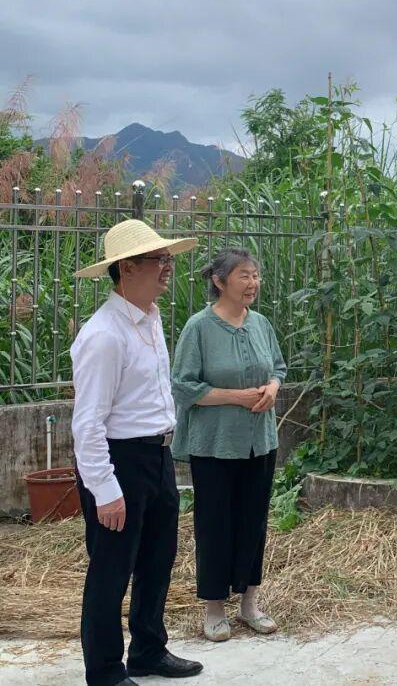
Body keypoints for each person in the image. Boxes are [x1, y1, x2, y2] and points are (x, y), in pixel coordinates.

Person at [70, 219, 204, 686]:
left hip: (157, 455)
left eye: (168, 259)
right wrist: (105, 489)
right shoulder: (104, 335)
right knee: (112, 569)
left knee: (157, 559)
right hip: (119, 461)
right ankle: (105, 670)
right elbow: (88, 423)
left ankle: (148, 650)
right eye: (157, 260)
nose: (168, 267)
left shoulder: (149, 318)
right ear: (126, 268)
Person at [170, 248, 287, 642]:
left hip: (260, 442)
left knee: (254, 522)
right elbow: (183, 386)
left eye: (255, 275)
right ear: (219, 282)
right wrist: (236, 397)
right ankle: (215, 608)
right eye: (244, 276)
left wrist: (273, 388)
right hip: (214, 445)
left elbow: (278, 367)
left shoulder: (261, 324)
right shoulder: (199, 328)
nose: (253, 283)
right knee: (215, 524)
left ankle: (249, 604)